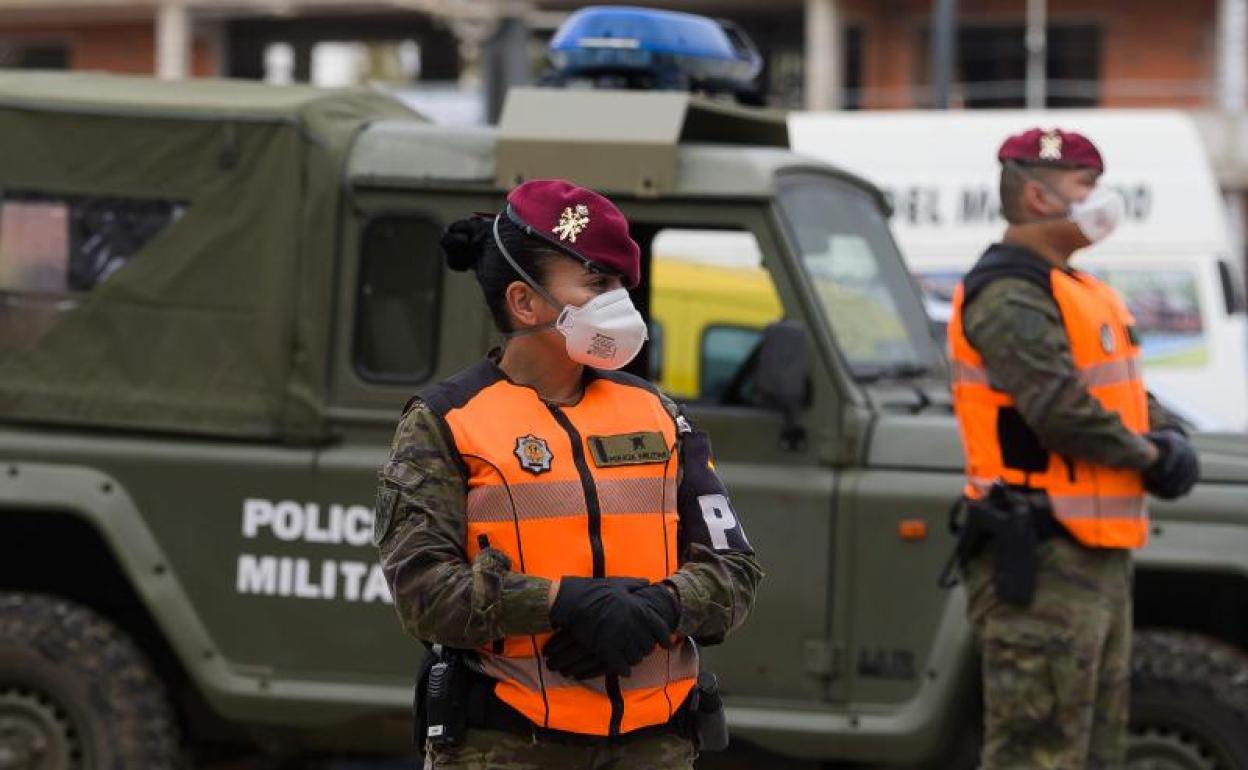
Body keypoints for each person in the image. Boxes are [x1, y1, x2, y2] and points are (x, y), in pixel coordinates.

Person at [374, 179, 762, 769]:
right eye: (596, 283)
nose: (618, 303)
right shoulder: (445, 423)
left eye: (620, 286)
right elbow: (424, 597)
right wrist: (563, 603)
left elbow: (734, 571)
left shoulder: (659, 415)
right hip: (505, 749)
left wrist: (658, 608)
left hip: (654, 749)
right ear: (524, 303)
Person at [946, 128, 1200, 769]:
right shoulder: (1009, 295)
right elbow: (1061, 410)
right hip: (1043, 553)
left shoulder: (1075, 289)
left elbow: (1119, 398)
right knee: (1037, 750)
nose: (1098, 200)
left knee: (1093, 749)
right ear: (1038, 195)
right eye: (1085, 186)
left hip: (1092, 554)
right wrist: (1156, 458)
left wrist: (1169, 433)